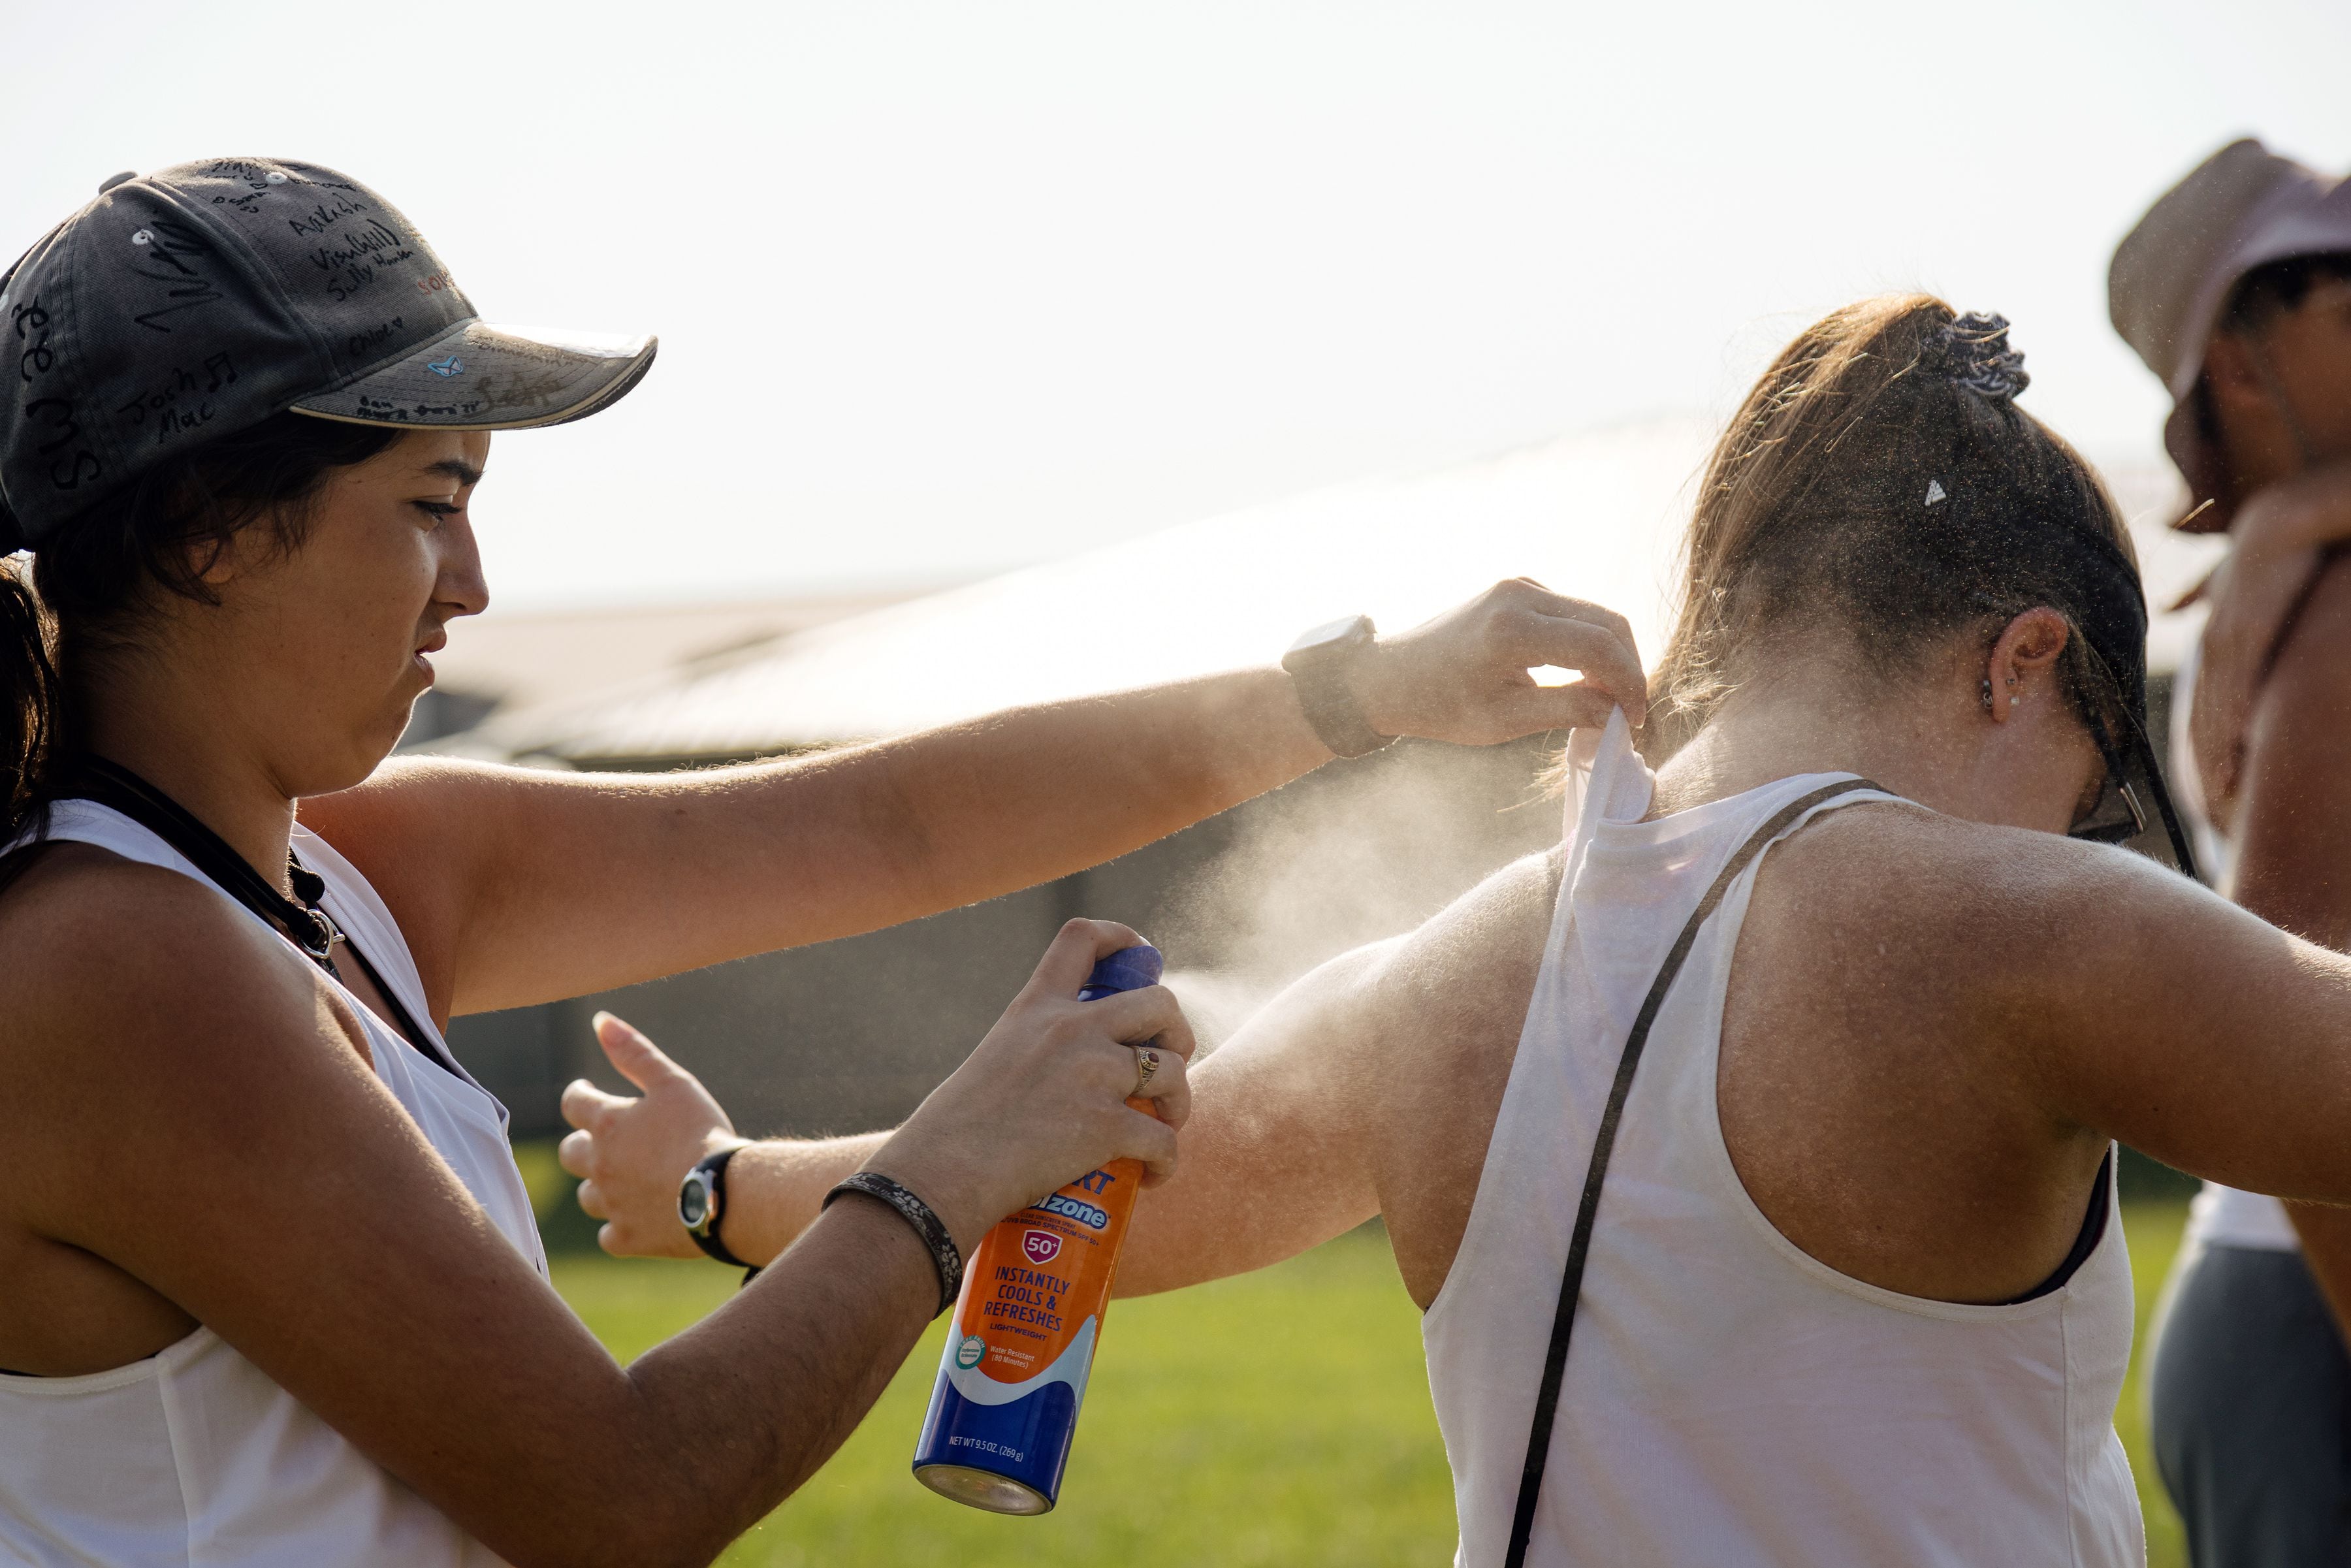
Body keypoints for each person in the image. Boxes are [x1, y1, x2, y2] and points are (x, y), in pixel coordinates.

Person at [0, 159, 1647, 1568]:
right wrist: (957, 1164)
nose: (475, 583)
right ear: (211, 525)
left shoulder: (352, 868)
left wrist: (1354, 696)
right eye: (433, 502)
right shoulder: (114, 973)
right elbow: (620, 1495)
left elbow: (893, 823)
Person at [570, 293, 2351, 1564]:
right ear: (2024, 660)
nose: (2087, 825)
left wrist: (723, 1178)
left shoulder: (1450, 974)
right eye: (2097, 774)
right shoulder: (2030, 928)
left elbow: (1064, 1187)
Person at [2110, 138, 2351, 1567]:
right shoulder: (2326, 611)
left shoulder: (2300, 571)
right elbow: (2299, 1050)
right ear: (2243, 363)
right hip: (2319, 1315)